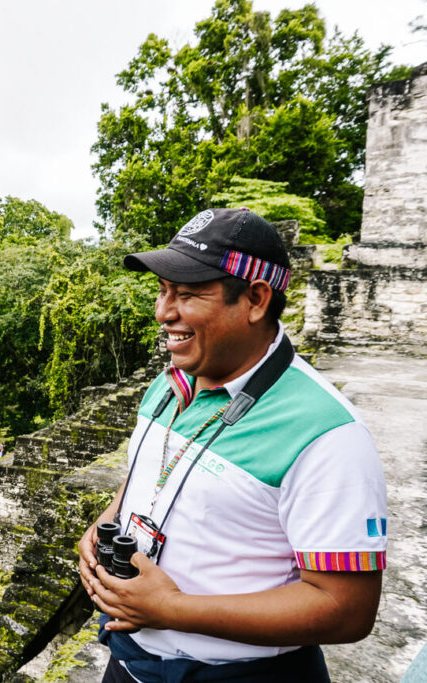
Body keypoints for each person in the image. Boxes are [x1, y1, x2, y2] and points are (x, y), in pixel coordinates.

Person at [77, 208, 387, 682]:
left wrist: (173, 609)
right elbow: (149, 475)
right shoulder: (170, 385)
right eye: (162, 291)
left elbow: (346, 609)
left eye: (187, 294)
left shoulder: (326, 434)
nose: (164, 312)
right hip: (130, 661)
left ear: (256, 300)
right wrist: (106, 522)